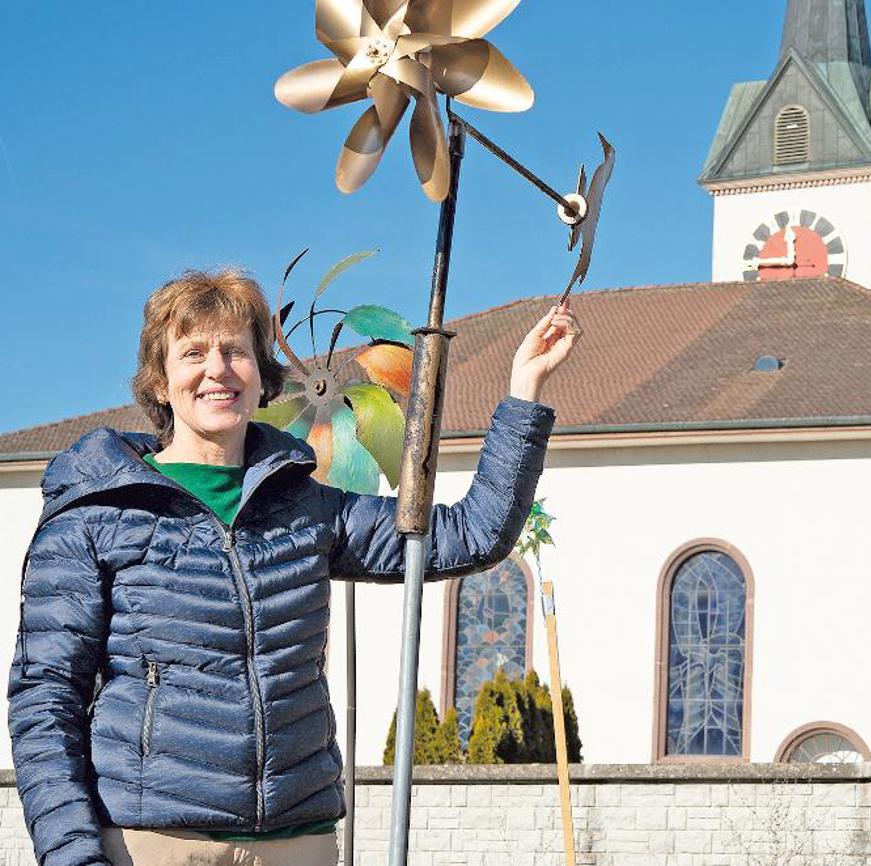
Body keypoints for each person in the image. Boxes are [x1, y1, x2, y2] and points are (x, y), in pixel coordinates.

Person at [7, 269, 582, 866]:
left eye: (236, 351)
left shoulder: (306, 508)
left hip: (296, 842)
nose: (218, 369)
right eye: (193, 353)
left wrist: (524, 391)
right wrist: (71, 853)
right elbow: (45, 699)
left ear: (262, 376)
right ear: (159, 382)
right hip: (154, 842)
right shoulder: (96, 512)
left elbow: (471, 535)